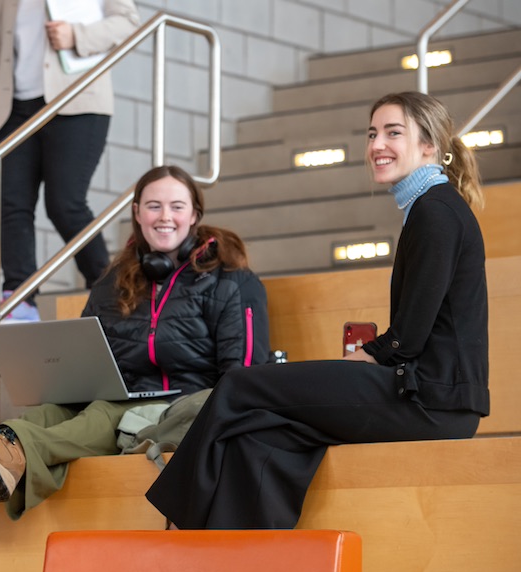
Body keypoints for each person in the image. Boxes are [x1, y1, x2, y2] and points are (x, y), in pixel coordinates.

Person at [146, 91, 489, 530]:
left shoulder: (435, 211)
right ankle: (247, 559)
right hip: (433, 397)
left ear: (429, 146)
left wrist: (368, 354)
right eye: (372, 133)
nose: (376, 144)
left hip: (432, 400)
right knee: (261, 436)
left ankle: (178, 519)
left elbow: (410, 335)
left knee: (239, 387)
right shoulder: (428, 208)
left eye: (392, 132)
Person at [0, 165, 270, 520]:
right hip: (118, 398)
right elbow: (85, 352)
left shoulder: (232, 281)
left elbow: (243, 375)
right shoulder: (113, 281)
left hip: (183, 405)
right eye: (153, 205)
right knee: (47, 413)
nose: (165, 216)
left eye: (177, 206)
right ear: (136, 213)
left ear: (194, 216)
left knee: (100, 416)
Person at [0, 0, 141, 324]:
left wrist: (77, 35)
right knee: (11, 204)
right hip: (15, 110)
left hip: (77, 102)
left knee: (65, 203)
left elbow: (128, 23)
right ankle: (19, 298)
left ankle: (111, 290)